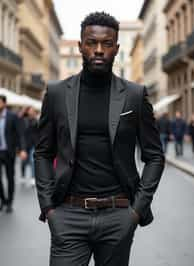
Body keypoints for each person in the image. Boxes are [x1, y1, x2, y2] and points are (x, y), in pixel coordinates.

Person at [34, 12, 165, 266]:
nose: (98, 50)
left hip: (118, 214)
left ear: (116, 49)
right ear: (80, 45)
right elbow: (42, 152)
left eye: (106, 44)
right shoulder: (57, 93)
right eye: (91, 43)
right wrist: (49, 208)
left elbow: (154, 156)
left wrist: (136, 211)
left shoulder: (135, 95)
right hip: (68, 214)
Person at [0, 95, 27, 213]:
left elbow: (20, 134)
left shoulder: (13, 117)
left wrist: (22, 149)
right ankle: (3, 200)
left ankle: (9, 202)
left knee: (10, 177)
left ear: (4, 104)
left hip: (9, 152)